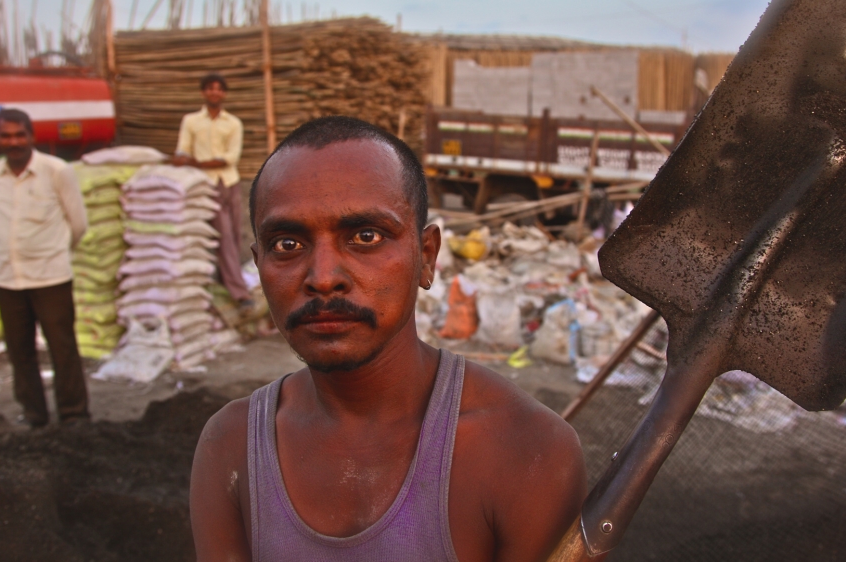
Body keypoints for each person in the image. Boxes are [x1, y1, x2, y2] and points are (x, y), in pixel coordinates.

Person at [190, 116, 587, 561]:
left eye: (366, 236)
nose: (323, 277)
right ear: (258, 262)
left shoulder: (526, 452)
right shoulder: (231, 446)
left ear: (426, 256)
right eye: (287, 244)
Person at [0, 108, 89, 427]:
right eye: (6, 136)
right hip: (8, 278)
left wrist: (53, 251)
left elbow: (78, 224)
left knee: (62, 349)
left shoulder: (56, 171)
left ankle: (74, 415)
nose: (13, 142)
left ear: (32, 136)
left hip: (50, 277)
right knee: (20, 352)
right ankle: (33, 414)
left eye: (19, 135)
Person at [171, 72, 254, 310]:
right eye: (210, 88)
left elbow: (230, 158)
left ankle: (223, 279)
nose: (214, 92)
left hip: (230, 182)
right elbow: (182, 151)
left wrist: (196, 162)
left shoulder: (233, 123)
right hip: (206, 186)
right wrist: (186, 161)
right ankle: (240, 293)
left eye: (219, 88)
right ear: (203, 92)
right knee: (224, 236)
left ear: (224, 94)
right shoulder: (191, 121)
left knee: (235, 236)